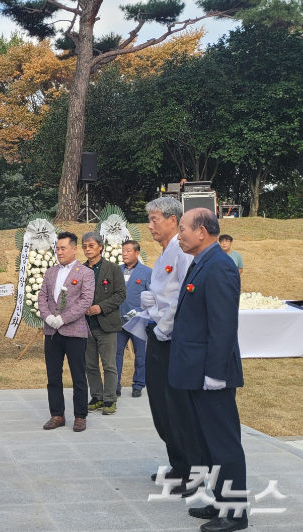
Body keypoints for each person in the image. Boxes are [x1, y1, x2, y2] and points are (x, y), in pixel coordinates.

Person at [173, 208, 247, 532]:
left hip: (210, 373)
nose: (179, 235)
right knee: (205, 443)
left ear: (201, 231)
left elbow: (224, 326)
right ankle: (220, 501)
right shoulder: (203, 261)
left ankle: (235, 513)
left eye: (183, 229)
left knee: (223, 443)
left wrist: (216, 373)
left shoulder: (220, 266)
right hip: (195, 371)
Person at [124, 197, 201, 498]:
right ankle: (177, 464)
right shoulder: (165, 252)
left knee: (177, 408)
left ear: (173, 220)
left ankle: (193, 472)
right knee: (161, 406)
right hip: (157, 334)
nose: (150, 225)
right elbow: (163, 295)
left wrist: (162, 324)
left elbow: (181, 298)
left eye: (155, 219)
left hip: (171, 338)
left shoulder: (182, 252)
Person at [37, 232, 95, 432]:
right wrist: (48, 317)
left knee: (78, 376)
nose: (59, 252)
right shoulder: (50, 272)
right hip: (51, 331)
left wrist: (63, 318)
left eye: (63, 248)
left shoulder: (85, 272)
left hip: (74, 330)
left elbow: (85, 301)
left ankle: (80, 416)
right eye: (57, 248)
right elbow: (42, 296)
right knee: (53, 375)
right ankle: (57, 415)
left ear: (74, 249)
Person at [82, 232, 126, 415]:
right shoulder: (80, 269)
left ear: (101, 246)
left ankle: (110, 399)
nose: (87, 249)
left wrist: (101, 307)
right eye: (84, 246)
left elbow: (121, 294)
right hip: (85, 326)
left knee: (109, 364)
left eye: (91, 245)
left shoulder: (112, 269)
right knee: (90, 365)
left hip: (106, 324)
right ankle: (97, 396)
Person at [116, 241, 152, 398]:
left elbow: (151, 297)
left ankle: (138, 384)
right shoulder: (116, 270)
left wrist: (140, 312)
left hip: (138, 321)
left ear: (137, 253)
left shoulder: (146, 272)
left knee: (140, 354)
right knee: (115, 354)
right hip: (118, 320)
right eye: (123, 251)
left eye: (128, 251)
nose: (124, 253)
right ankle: (114, 385)